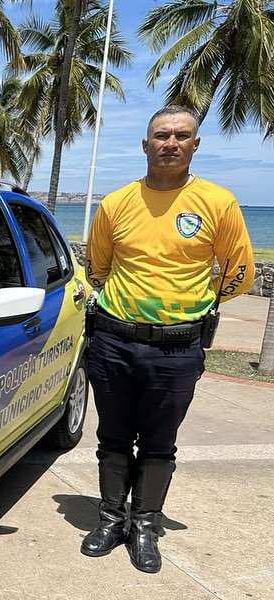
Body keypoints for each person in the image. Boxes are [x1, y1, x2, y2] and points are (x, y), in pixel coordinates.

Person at [82, 105, 255, 573]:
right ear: (146, 144)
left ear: (195, 145)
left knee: (160, 442)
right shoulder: (116, 202)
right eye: (161, 135)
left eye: (181, 136)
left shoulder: (217, 203)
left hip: (178, 347)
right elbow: (97, 265)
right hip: (114, 340)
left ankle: (143, 525)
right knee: (112, 436)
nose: (170, 143)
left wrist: (201, 304)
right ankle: (110, 518)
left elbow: (240, 271)